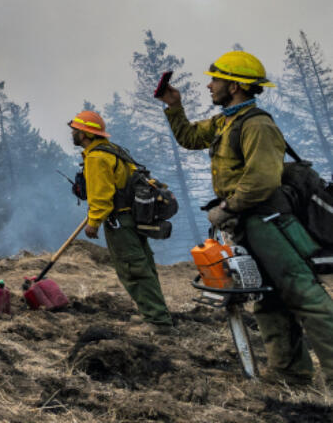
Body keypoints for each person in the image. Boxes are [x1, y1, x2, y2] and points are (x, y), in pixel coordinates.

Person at [158, 50, 333, 386]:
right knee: (267, 297)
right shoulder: (228, 122)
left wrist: (227, 208)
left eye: (216, 79)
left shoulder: (257, 125)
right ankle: (289, 371)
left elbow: (262, 181)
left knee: (303, 295)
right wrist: (173, 106)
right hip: (248, 223)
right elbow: (191, 138)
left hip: (269, 221)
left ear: (235, 86)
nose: (209, 86)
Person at [68, 110, 172, 330]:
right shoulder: (112, 150)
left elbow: (102, 196)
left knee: (133, 268)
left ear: (85, 134)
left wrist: (93, 222)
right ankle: (153, 313)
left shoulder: (97, 158)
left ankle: (158, 322)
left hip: (120, 220)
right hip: (131, 217)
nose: (73, 133)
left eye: (75, 130)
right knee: (142, 264)